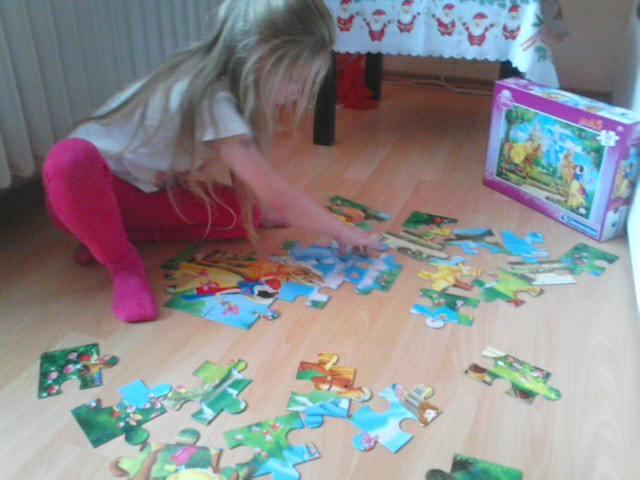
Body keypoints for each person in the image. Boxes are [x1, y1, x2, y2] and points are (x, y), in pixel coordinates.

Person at [43, 0, 380, 323]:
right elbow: (277, 193)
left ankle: (103, 237)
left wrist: (261, 209)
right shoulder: (211, 96)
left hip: (141, 195)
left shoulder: (227, 83)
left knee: (245, 216)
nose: (295, 93)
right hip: (83, 198)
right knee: (69, 159)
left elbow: (252, 176)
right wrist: (343, 232)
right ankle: (122, 264)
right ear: (263, 58)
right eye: (295, 80)